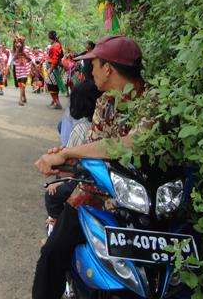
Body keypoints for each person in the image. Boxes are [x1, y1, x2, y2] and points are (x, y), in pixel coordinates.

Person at [32, 35, 145, 299]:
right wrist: (64, 160)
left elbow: (130, 143)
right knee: (52, 252)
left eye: (93, 65)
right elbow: (93, 147)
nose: (89, 71)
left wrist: (68, 152)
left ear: (108, 68)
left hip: (142, 200)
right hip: (95, 194)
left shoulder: (153, 101)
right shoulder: (105, 102)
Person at [44, 81, 102, 224]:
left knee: (51, 194)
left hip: (81, 177)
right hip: (92, 176)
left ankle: (56, 222)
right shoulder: (100, 126)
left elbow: (69, 162)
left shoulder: (81, 128)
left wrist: (60, 182)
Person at [45, 31, 66, 109]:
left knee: (51, 85)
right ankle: (54, 102)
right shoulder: (56, 45)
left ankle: (58, 103)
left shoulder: (55, 46)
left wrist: (51, 69)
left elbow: (55, 59)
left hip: (53, 67)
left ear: (49, 37)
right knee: (53, 84)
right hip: (53, 66)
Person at [12, 35, 32, 106]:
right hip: (18, 69)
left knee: (22, 84)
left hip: (25, 69)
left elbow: (30, 58)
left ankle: (20, 100)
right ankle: (25, 98)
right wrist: (17, 51)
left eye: (20, 41)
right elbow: (13, 59)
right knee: (21, 84)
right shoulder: (14, 49)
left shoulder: (27, 48)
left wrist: (24, 53)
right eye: (16, 42)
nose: (18, 43)